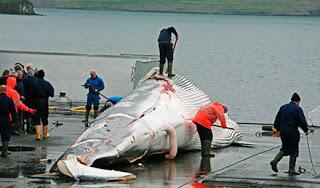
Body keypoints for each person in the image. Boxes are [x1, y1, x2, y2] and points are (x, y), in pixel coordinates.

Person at [270, 93, 310, 176]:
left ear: (291, 100)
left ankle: (274, 161)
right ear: (298, 101)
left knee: (285, 148)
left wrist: (277, 129)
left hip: (283, 131)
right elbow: (302, 121)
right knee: (294, 149)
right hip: (292, 131)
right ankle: (291, 170)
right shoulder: (298, 109)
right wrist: (306, 130)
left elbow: (277, 119)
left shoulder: (283, 107)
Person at [33, 70, 54, 140]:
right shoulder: (47, 83)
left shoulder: (34, 83)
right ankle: (45, 134)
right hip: (44, 102)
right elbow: (52, 94)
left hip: (36, 102)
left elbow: (31, 93)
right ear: (43, 75)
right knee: (45, 118)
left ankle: (38, 135)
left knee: (37, 118)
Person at [0, 85, 17, 157]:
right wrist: (13, 121)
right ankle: (4, 152)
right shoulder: (9, 99)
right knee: (6, 135)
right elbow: (13, 111)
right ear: (6, 90)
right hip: (5, 118)